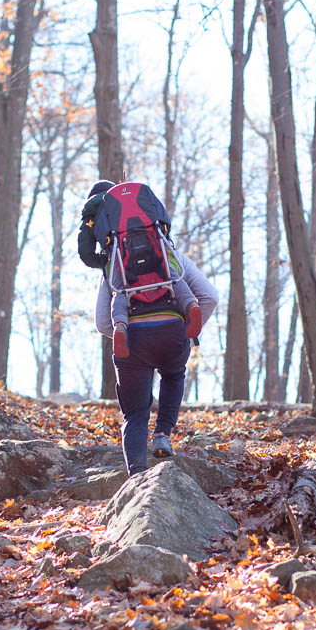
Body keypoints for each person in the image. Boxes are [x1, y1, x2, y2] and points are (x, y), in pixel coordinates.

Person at [82, 181, 218, 475]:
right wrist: (186, 329)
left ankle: (137, 475)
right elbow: (210, 296)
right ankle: (163, 436)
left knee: (134, 413)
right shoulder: (167, 253)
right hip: (172, 329)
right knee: (173, 374)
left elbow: (101, 323)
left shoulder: (113, 265)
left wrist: (122, 330)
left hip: (133, 339)